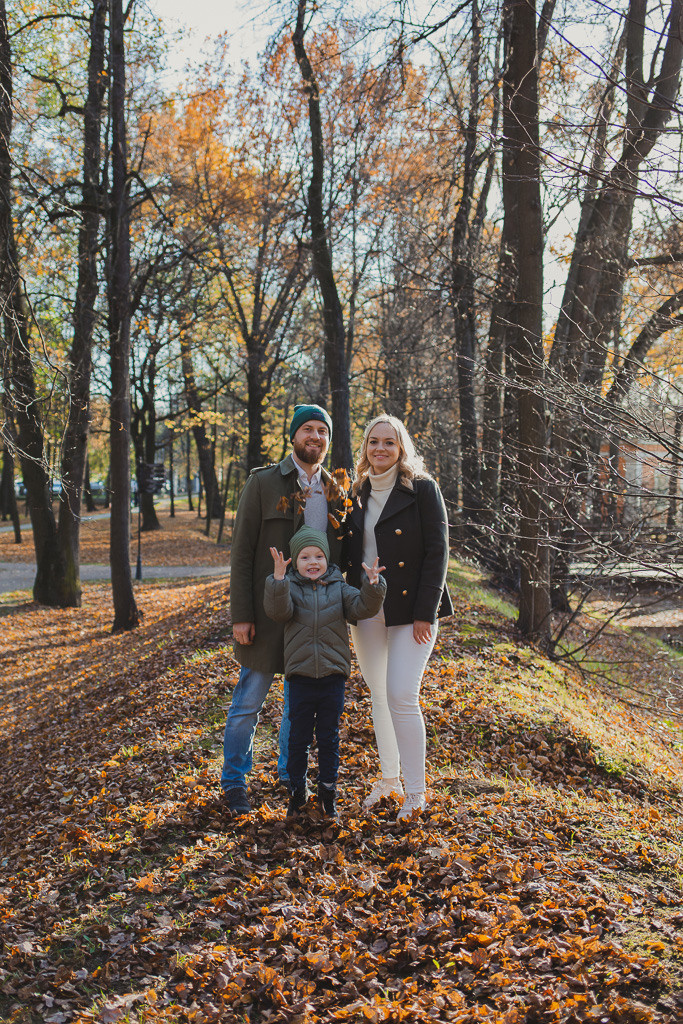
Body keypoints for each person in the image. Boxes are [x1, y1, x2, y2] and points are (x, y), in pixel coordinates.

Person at [222, 404, 344, 815]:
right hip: (264, 614)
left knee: (297, 708)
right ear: (293, 436)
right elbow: (241, 553)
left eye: (322, 431)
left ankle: (292, 777)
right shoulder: (263, 483)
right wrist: (241, 614)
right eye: (307, 429)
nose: (315, 437)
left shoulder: (337, 488)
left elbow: (339, 556)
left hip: (308, 622)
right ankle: (234, 781)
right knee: (247, 704)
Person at [344, 415, 453, 822]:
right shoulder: (357, 492)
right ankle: (388, 779)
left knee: (402, 695)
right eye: (374, 442)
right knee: (378, 692)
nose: (380, 449)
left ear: (401, 447)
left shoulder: (423, 489)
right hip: (368, 610)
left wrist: (427, 612)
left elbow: (437, 552)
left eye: (389, 442)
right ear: (365, 448)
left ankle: (416, 791)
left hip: (412, 613)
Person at [264, 526, 386, 819]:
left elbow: (361, 609)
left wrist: (373, 585)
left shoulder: (339, 587)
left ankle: (328, 792)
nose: (313, 562)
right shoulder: (289, 586)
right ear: (296, 561)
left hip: (332, 676)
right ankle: (297, 793)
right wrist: (278, 579)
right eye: (305, 557)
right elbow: (278, 612)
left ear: (327, 558)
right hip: (301, 676)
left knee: (329, 737)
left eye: (318, 555)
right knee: (298, 739)